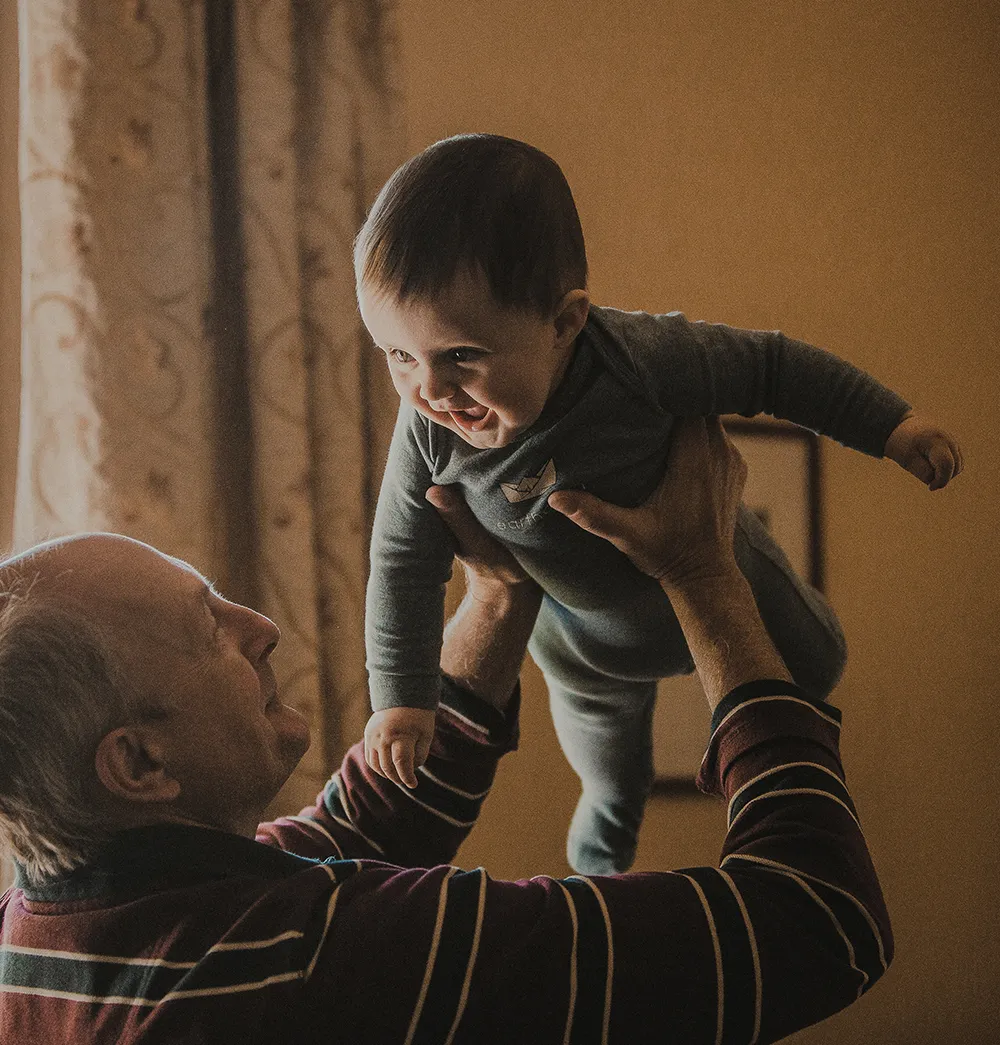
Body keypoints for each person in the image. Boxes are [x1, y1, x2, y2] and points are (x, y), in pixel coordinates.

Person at [0, 417, 892, 1043]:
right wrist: (704, 570)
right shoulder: (319, 963)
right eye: (209, 629)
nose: (259, 625)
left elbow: (354, 831)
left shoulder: (45, 930)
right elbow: (815, 922)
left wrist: (499, 595)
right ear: (140, 762)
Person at [357, 132, 963, 874]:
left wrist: (891, 425)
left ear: (564, 323)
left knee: (819, 662)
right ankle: (605, 846)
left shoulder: (640, 359)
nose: (430, 390)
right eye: (398, 356)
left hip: (725, 567)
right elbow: (401, 563)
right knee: (610, 771)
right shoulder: (426, 432)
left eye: (461, 356)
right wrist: (402, 698)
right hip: (583, 645)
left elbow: (773, 368)